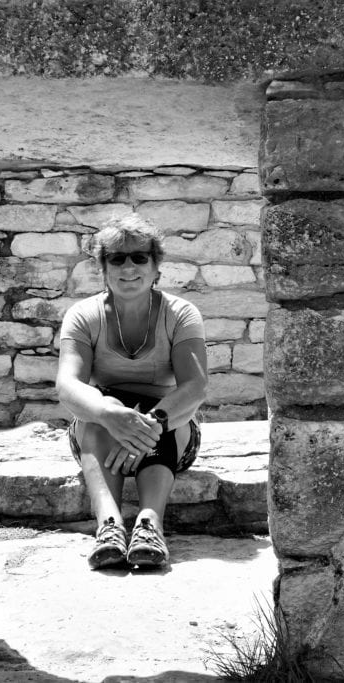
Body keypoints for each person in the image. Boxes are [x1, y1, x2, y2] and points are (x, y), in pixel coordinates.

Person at [56, 214, 208, 569]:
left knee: (167, 420)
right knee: (95, 412)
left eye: (139, 257)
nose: (129, 267)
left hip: (169, 420)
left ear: (156, 266)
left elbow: (195, 386)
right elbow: (68, 384)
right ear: (103, 267)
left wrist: (149, 424)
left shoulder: (181, 313)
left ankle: (150, 523)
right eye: (117, 258)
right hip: (103, 425)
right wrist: (110, 415)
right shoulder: (83, 315)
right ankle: (109, 527)